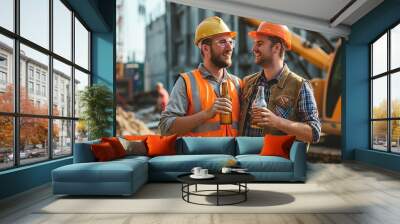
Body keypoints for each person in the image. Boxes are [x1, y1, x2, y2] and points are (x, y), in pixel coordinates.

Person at [239, 21, 321, 143]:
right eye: (255, 43)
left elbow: (314, 133)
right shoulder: (247, 83)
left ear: (276, 48)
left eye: (260, 44)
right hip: (245, 159)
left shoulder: (300, 86)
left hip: (275, 161)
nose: (254, 49)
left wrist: (277, 122)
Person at [159, 16, 241, 137]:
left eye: (231, 42)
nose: (230, 48)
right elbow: (166, 127)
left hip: (231, 156)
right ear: (206, 49)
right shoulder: (187, 82)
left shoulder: (237, 83)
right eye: (223, 42)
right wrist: (206, 114)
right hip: (200, 155)